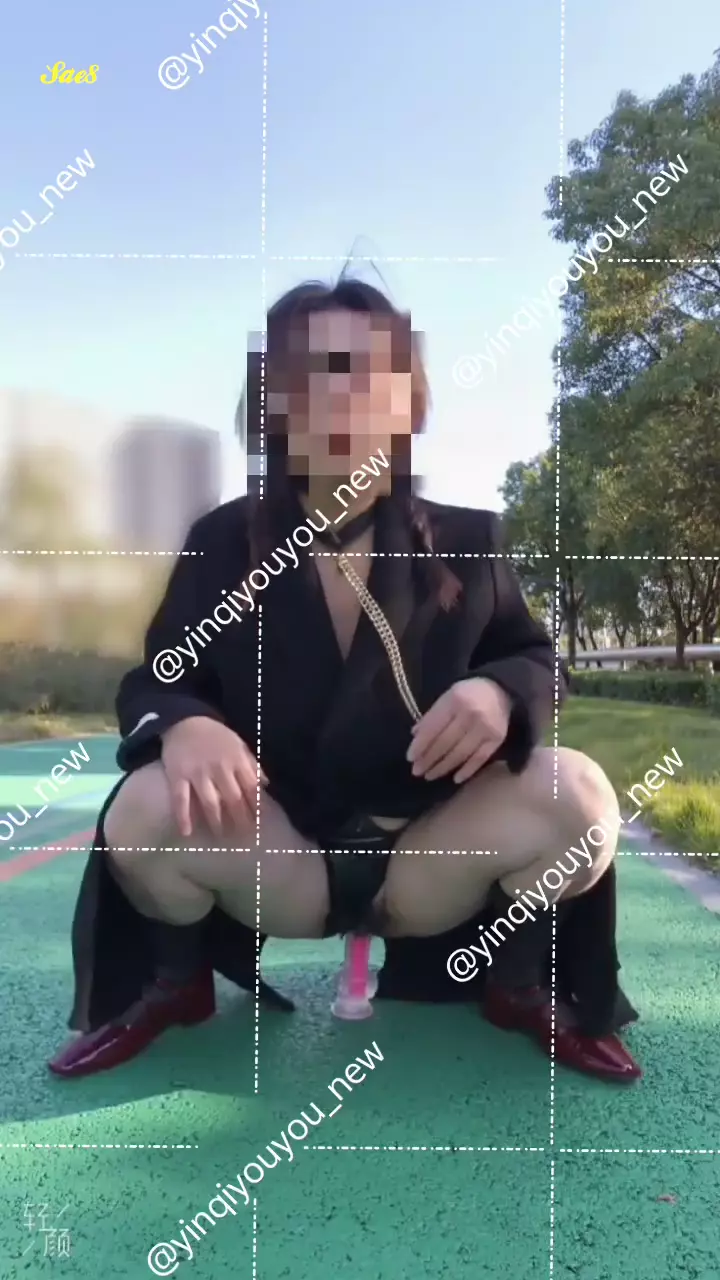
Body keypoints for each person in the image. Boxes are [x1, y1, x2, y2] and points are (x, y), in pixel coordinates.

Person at [49, 276, 641, 1084]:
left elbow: (541, 663)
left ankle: (515, 985)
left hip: (432, 858)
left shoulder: (470, 540)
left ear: (407, 401)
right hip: (281, 859)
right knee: (144, 806)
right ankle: (176, 983)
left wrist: (500, 692)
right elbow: (156, 681)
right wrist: (186, 725)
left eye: (364, 370)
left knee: (580, 796)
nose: (337, 394)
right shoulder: (221, 541)